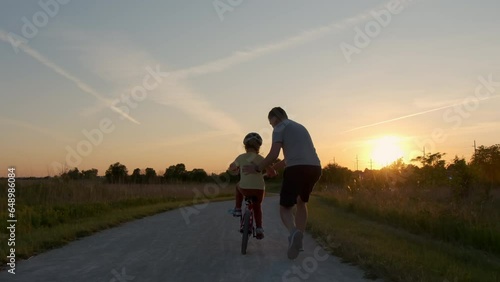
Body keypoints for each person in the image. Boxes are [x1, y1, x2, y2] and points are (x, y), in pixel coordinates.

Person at [243, 107, 322, 259]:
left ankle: (293, 234)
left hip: (296, 169)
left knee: (285, 208)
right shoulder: (300, 127)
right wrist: (273, 168)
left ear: (275, 118)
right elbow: (289, 158)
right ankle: (299, 239)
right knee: (301, 202)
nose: (271, 126)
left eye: (270, 122)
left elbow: (274, 154)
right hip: (315, 168)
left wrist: (258, 168)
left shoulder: (279, 128)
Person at [227, 132, 276, 240]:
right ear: (258, 146)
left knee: (237, 186)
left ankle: (238, 208)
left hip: (245, 189)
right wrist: (269, 173)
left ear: (245, 146)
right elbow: (272, 172)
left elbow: (232, 167)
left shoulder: (241, 157)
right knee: (257, 207)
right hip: (259, 189)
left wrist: (234, 168)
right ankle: (259, 229)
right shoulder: (261, 158)